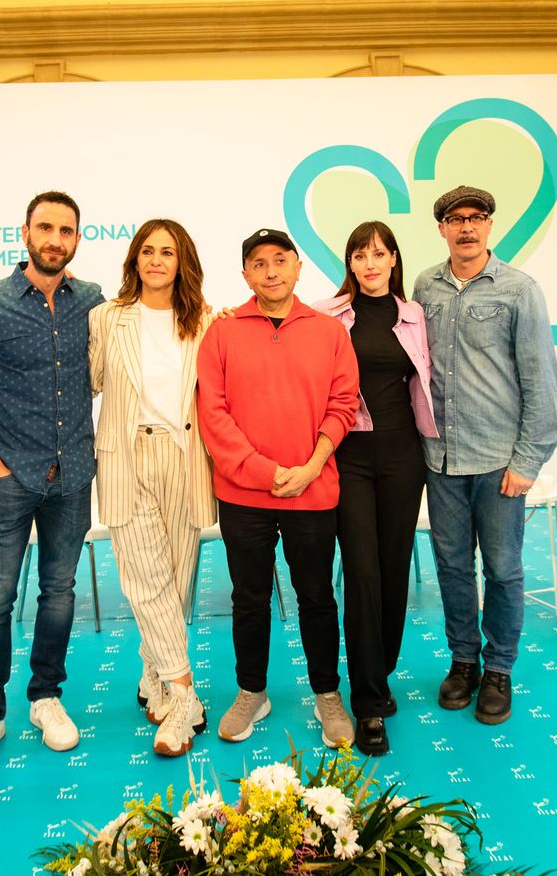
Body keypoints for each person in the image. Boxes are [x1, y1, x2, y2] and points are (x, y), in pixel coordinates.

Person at [0, 191, 104, 777]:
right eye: (45, 227)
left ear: (76, 239)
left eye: (66, 230)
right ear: (25, 232)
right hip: (9, 476)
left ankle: (45, 698)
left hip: (72, 477)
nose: (54, 239)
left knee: (58, 593)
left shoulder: (91, 301)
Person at [196, 227, 359, 749]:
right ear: (246, 273)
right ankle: (251, 691)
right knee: (248, 598)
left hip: (313, 489)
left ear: (297, 267)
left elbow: (344, 403)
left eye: (280, 260)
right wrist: (265, 472)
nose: (271, 271)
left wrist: (312, 465)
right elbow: (213, 413)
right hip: (244, 494)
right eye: (259, 263)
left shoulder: (329, 332)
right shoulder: (221, 333)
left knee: (316, 596)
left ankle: (327, 693)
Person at [415, 185, 557, 728]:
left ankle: (499, 670)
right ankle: (464, 662)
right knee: (452, 568)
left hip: (499, 460)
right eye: (456, 219)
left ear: (490, 226)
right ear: (442, 229)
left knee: (502, 570)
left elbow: (541, 383)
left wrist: (528, 461)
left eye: (477, 218)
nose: (467, 227)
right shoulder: (425, 286)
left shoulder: (520, 289)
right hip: (440, 459)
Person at [88, 219, 216, 758]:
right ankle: (186, 696)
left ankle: (153, 678)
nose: (157, 260)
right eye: (148, 251)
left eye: (168, 251)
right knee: (145, 580)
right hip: (126, 457)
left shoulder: (206, 321)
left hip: (185, 460)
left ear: (182, 260)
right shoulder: (105, 318)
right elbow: (90, 381)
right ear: (134, 260)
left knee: (176, 581)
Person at [313, 221, 436, 756]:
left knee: (392, 568)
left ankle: (378, 673)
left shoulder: (415, 317)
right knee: (361, 573)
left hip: (403, 455)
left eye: (379, 253)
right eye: (359, 254)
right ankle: (367, 703)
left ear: (393, 260)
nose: (369, 263)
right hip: (349, 457)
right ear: (349, 262)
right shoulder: (326, 315)